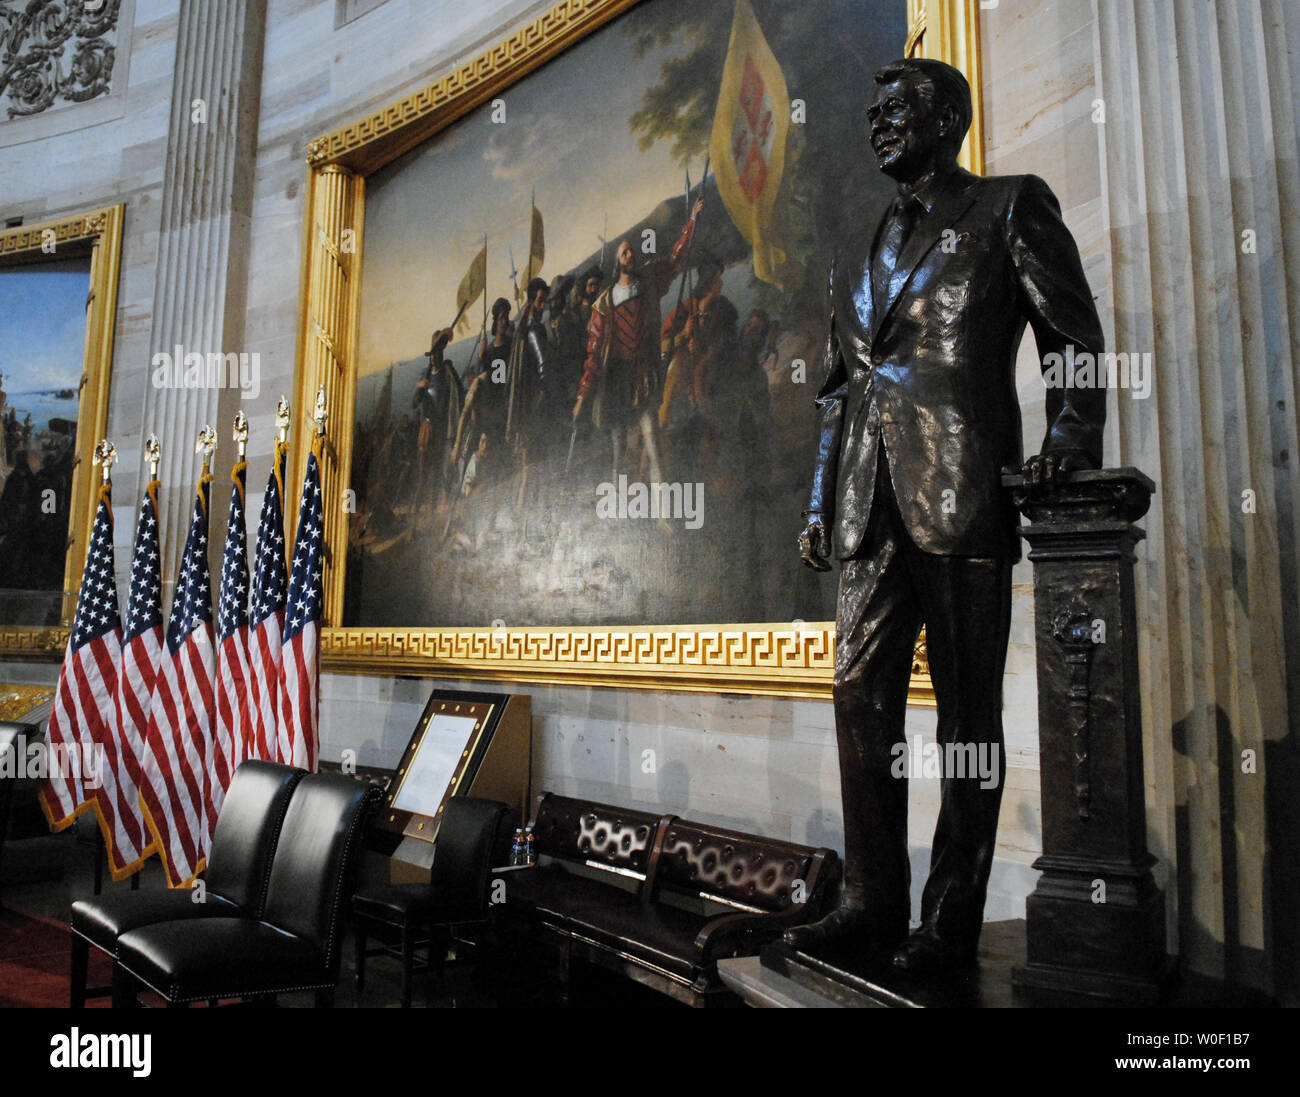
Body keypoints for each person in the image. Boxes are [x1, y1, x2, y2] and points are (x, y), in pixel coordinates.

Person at [788, 57, 1106, 973]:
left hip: (963, 493)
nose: (881, 123)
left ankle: (950, 919)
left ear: (951, 118)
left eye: (901, 108)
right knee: (860, 698)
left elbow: (1073, 339)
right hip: (865, 504)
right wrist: (819, 499)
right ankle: (869, 901)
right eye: (875, 111)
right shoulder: (853, 250)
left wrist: (1071, 438)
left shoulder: (1008, 208)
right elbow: (836, 392)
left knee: (966, 719)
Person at [573, 198, 705, 484]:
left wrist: (692, 222)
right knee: (620, 449)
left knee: (653, 441)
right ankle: (620, 510)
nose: (630, 256)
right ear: (617, 262)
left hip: (643, 373)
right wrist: (583, 395)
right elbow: (593, 354)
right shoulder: (603, 305)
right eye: (624, 254)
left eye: (631, 252)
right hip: (617, 379)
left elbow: (675, 260)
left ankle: (662, 513)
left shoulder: (649, 281)